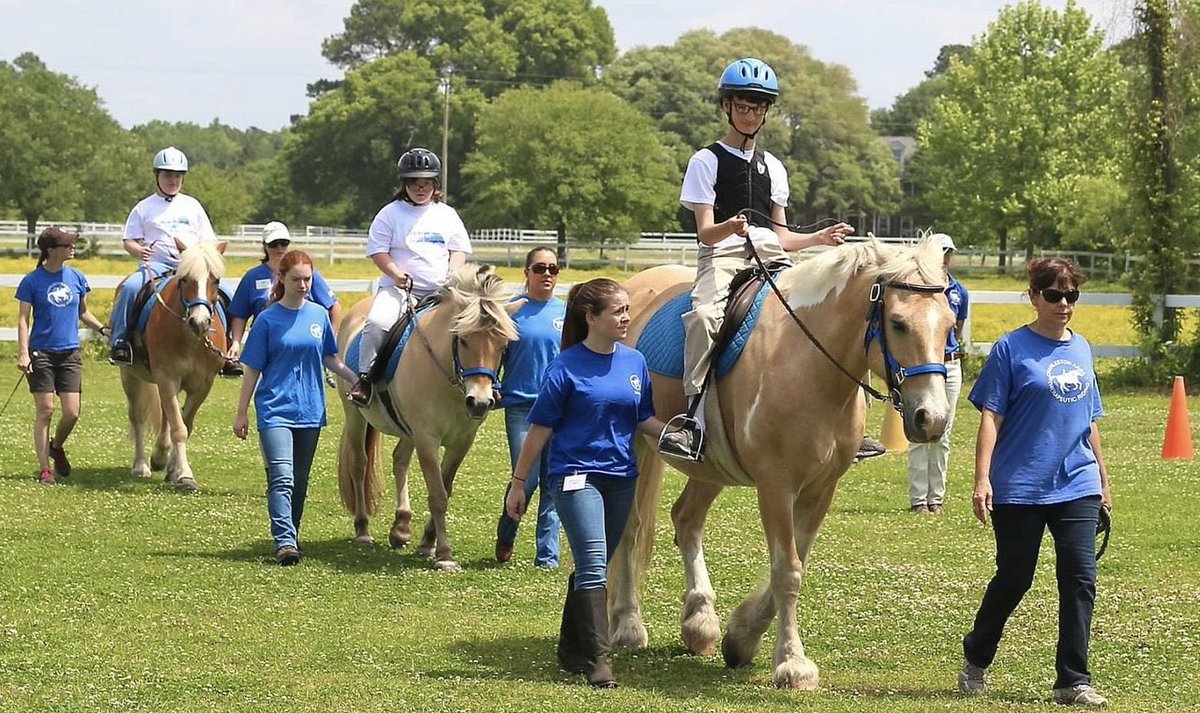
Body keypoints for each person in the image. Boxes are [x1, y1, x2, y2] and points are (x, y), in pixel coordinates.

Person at [657, 57, 878, 462]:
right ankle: (693, 421)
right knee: (706, 317)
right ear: (726, 106)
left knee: (834, 313)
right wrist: (732, 228)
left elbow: (781, 235)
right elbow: (705, 232)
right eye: (743, 105)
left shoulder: (774, 167)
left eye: (758, 106)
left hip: (770, 258)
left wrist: (819, 238)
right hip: (722, 257)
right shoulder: (705, 161)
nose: (751, 113)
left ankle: (854, 426)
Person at [505, 278, 686, 689]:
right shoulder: (564, 366)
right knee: (591, 566)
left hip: (621, 478)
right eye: (618, 311)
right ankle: (598, 662)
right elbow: (539, 428)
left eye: (627, 309)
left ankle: (570, 648)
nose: (626, 317)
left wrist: (673, 434)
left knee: (595, 564)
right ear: (591, 318)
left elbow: (643, 417)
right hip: (574, 477)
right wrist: (519, 482)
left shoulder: (635, 362)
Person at [957, 257, 1112, 708]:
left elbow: (1090, 419)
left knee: (1080, 578)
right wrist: (982, 478)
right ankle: (976, 657)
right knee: (1015, 578)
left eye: (1072, 296)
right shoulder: (1010, 349)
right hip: (1021, 485)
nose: (1064, 304)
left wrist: (1102, 478)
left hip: (1077, 483)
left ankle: (1072, 680)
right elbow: (991, 415)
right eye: (1054, 295)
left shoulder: (1081, 348)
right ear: (1034, 296)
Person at [232, 250, 358, 566]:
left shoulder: (318, 315)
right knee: (282, 477)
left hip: (310, 409)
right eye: (296, 279)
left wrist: (355, 378)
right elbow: (252, 370)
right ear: (282, 279)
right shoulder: (267, 320)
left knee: (300, 482)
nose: (303, 285)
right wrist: (241, 411)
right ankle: (285, 541)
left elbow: (330, 357)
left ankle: (292, 533)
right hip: (274, 408)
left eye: (307, 279)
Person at [349, 147, 471, 406]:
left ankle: (479, 382)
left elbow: (459, 249)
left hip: (441, 291)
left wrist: (453, 271)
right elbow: (378, 251)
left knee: (474, 328)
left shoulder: (447, 214)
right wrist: (395, 273)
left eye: (426, 183)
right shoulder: (390, 214)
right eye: (414, 183)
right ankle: (366, 379)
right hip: (401, 290)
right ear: (405, 184)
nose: (420, 188)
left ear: (434, 184)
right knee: (377, 323)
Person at [109, 146, 240, 377]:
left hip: (192, 267)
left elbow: (208, 240)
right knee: (130, 288)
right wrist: (139, 251)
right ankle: (121, 341)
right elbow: (128, 240)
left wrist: (205, 256)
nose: (173, 180)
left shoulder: (193, 206)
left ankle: (227, 350)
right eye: (168, 175)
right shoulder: (143, 207)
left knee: (227, 295)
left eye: (177, 176)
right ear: (156, 176)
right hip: (157, 266)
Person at [16, 227, 109, 485]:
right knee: (45, 410)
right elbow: (23, 320)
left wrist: (102, 328)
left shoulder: (77, 278)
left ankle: (56, 446)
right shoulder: (32, 281)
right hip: (41, 353)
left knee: (72, 413)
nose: (72, 248)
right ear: (51, 250)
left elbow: (83, 312)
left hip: (69, 353)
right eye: (67, 244)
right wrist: (24, 353)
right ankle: (45, 468)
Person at [493, 247, 565, 567]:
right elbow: (493, 356)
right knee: (528, 477)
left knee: (555, 482)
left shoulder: (567, 313)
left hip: (561, 411)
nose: (547, 274)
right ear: (527, 273)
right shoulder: (512, 313)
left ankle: (547, 557)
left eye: (553, 268)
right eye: (539, 268)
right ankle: (507, 532)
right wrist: (494, 385)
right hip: (522, 408)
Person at [907, 233, 969, 514]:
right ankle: (919, 497)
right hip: (925, 365)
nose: (944, 258)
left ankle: (937, 497)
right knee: (919, 431)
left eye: (948, 252)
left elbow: (956, 328)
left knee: (944, 432)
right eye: (940, 252)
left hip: (950, 363)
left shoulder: (958, 291)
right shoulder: (917, 290)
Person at [227, 221, 342, 364]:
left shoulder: (305, 273)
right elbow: (240, 313)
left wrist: (327, 340)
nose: (279, 248)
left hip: (301, 344)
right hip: (265, 343)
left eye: (284, 243)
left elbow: (333, 306)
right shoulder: (253, 277)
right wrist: (236, 342)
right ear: (265, 246)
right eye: (274, 244)